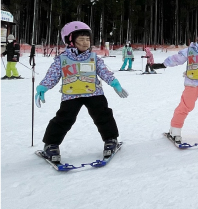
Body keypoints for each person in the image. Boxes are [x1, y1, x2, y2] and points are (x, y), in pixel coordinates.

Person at [34, 21, 128, 163]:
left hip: (94, 93)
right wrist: (43, 87)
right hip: (71, 95)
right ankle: (51, 145)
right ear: (70, 41)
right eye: (81, 39)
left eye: (88, 39)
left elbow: (104, 71)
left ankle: (111, 139)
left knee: (103, 115)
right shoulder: (62, 59)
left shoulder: (94, 58)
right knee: (64, 119)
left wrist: (114, 83)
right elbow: (52, 75)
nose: (85, 43)